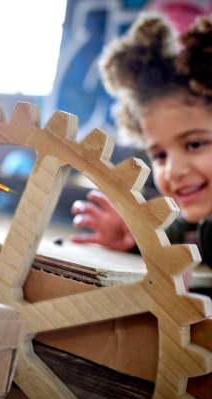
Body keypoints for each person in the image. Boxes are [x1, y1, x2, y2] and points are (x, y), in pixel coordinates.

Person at [71, 12, 212, 267]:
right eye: (160, 155)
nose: (173, 171)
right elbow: (182, 233)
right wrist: (137, 239)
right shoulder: (194, 224)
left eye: (194, 144)